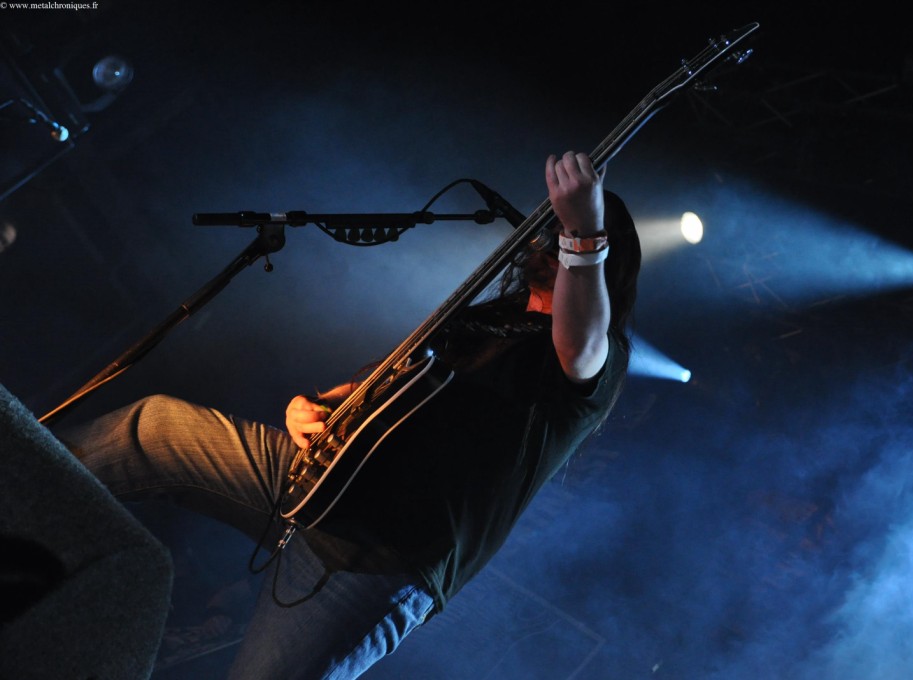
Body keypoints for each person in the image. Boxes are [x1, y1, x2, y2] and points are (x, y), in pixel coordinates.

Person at [55, 150, 642, 679]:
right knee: (153, 429)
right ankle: (23, 478)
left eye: (571, 231)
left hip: (381, 557)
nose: (555, 236)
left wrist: (585, 229)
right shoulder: (489, 317)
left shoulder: (597, 355)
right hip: (323, 479)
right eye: (556, 226)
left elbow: (580, 344)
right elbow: (384, 388)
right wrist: (311, 408)